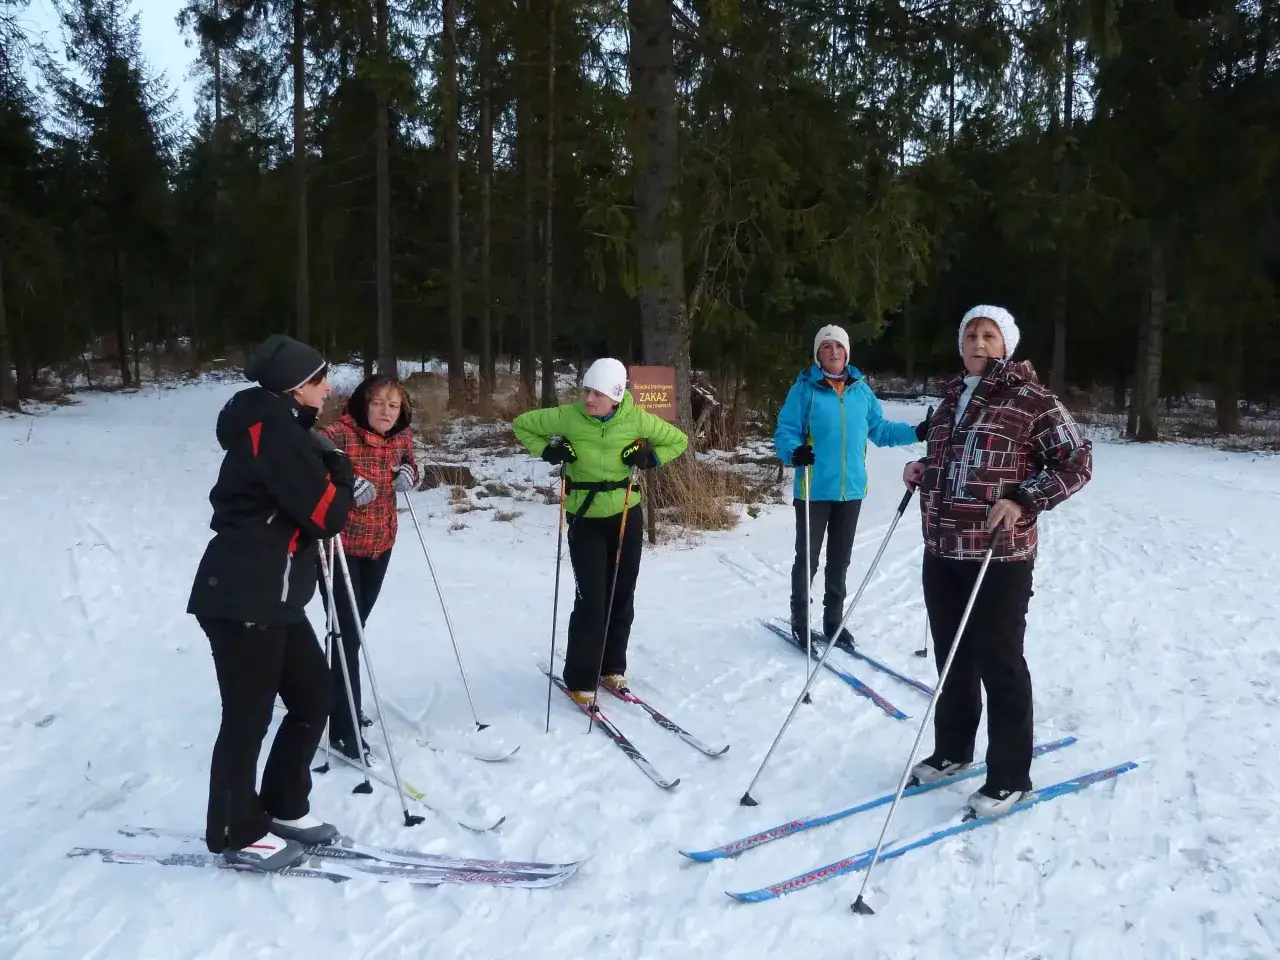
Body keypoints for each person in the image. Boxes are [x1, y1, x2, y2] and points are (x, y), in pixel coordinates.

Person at [904, 305, 1092, 817]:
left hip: (998, 554)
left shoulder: (1034, 401)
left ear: (1006, 344)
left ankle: (1011, 776)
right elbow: (946, 459)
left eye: (989, 335)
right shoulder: (948, 400)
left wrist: (1025, 498)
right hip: (942, 548)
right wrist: (922, 468)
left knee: (1000, 662)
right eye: (970, 334)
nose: (978, 343)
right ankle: (953, 752)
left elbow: (1077, 461)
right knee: (952, 656)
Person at [187, 333, 356, 872]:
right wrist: (341, 470)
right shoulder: (275, 433)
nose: (328, 389)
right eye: (320, 380)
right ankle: (237, 828)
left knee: (314, 694)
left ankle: (283, 803)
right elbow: (326, 515)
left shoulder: (279, 427)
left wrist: (322, 457)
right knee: (247, 717)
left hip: (273, 594)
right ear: (295, 386)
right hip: (244, 595)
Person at [512, 358, 688, 705]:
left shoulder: (636, 419)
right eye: (587, 390)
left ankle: (611, 667)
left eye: (598, 393)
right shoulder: (568, 416)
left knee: (621, 594)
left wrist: (648, 459)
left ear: (617, 397)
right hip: (585, 516)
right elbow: (522, 425)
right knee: (591, 600)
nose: (589, 399)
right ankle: (580, 677)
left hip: (625, 513)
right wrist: (549, 449)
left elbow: (677, 441)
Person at [774, 324, 927, 646]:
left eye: (839, 347)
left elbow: (881, 430)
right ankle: (800, 621)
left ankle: (833, 621)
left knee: (840, 560)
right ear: (818, 354)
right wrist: (793, 452)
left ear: (847, 353)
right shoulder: (804, 390)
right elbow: (786, 431)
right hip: (814, 489)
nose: (834, 352)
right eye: (827, 347)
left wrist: (917, 432)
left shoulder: (861, 391)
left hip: (851, 490)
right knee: (808, 560)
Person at [318, 374, 419, 761]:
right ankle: (343, 725)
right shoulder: (337, 435)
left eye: (393, 405)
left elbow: (411, 463)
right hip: (338, 549)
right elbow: (309, 470)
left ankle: (341, 701)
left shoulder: (401, 438)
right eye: (378, 403)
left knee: (354, 629)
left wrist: (411, 473)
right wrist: (342, 485)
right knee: (347, 633)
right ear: (363, 403)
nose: (386, 411)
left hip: (381, 546)